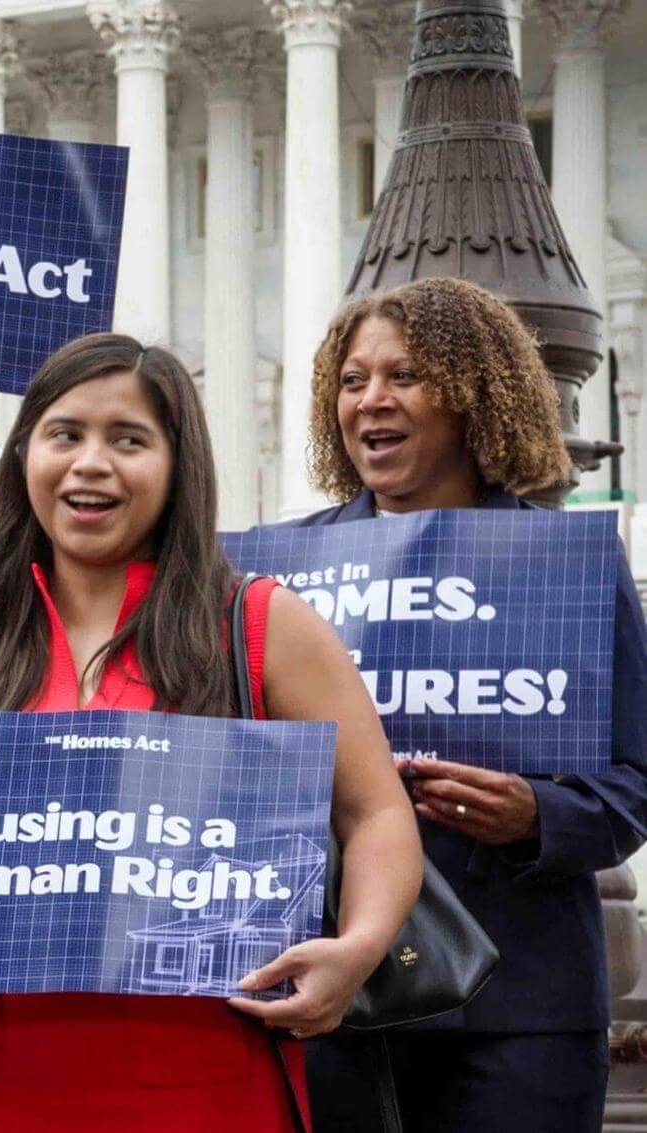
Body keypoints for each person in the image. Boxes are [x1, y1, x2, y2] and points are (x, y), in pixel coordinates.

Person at [0, 332, 422, 1132]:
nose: (92, 462)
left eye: (129, 439)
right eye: (65, 434)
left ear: (176, 466)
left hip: (210, 1083)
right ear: (25, 458)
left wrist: (359, 948)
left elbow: (376, 812)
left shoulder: (262, 626)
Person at [295, 276, 647, 1133]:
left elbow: (638, 778)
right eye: (352, 380)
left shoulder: (567, 566)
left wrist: (539, 814)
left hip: (520, 1007)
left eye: (405, 375)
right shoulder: (287, 576)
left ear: (473, 398)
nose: (370, 399)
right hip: (333, 999)